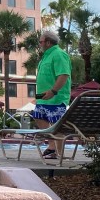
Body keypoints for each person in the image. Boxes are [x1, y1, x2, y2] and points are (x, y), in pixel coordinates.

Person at [32, 29, 72, 160]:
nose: (40, 44)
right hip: (43, 98)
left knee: (57, 125)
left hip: (56, 98)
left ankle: (59, 153)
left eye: (41, 42)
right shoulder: (46, 56)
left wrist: (53, 91)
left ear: (48, 42)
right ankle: (52, 146)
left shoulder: (59, 54)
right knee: (38, 117)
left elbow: (64, 75)